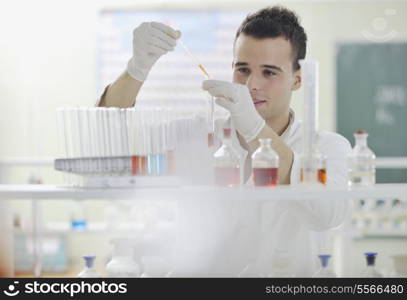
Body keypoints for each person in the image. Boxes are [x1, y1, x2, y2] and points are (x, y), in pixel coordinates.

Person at [98, 6, 351, 276]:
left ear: (297, 80)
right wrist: (137, 68)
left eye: (269, 72)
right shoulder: (196, 136)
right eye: (243, 69)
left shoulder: (327, 147)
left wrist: (254, 129)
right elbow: (109, 137)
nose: (252, 84)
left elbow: (326, 215)